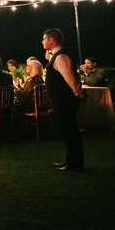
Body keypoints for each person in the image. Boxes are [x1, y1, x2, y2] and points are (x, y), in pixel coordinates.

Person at [42, 28, 84, 172]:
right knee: (66, 131)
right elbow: (48, 57)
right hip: (60, 100)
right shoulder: (55, 55)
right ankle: (70, 160)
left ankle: (75, 163)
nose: (42, 41)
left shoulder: (61, 57)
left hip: (64, 100)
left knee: (70, 131)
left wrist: (78, 92)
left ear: (52, 40)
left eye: (44, 39)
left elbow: (70, 77)